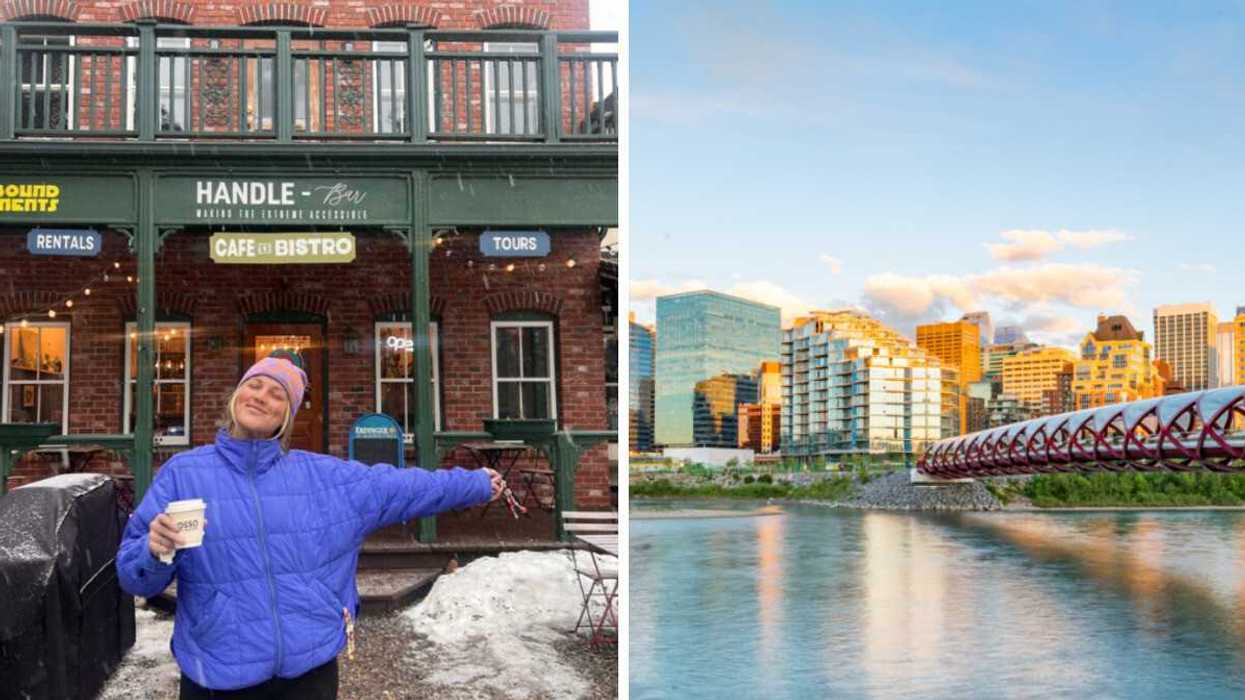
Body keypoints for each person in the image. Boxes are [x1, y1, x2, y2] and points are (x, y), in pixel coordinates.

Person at [116, 356, 504, 698]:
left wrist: (477, 483)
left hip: (309, 671)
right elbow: (134, 578)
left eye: (277, 394)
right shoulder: (183, 475)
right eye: (253, 385)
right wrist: (154, 552)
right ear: (236, 398)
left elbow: (405, 488)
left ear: (287, 417)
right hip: (217, 671)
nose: (261, 396)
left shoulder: (324, 478)